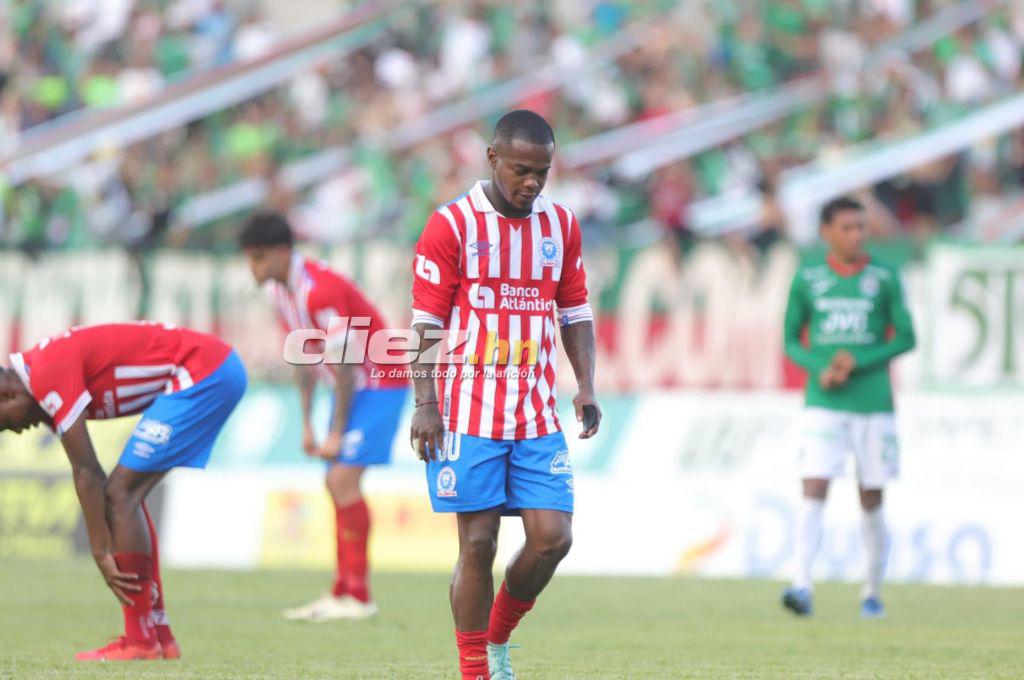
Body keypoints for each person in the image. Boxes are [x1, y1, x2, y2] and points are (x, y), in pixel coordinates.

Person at [409, 109, 601, 680]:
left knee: (552, 538)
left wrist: (586, 383)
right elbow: (425, 323)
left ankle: (495, 640)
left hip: (536, 411)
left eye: (543, 172)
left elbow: (575, 311)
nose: (532, 183)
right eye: (521, 170)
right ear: (492, 158)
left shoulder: (560, 226)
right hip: (467, 413)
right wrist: (425, 403)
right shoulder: (452, 225)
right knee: (477, 545)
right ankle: (476, 669)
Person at [0, 322, 247, 660]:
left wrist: (100, 551)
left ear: (7, 395)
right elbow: (86, 474)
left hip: (204, 372)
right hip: (211, 368)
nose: (14, 431)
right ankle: (158, 635)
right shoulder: (37, 377)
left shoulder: (45, 375)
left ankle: (141, 641)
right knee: (125, 495)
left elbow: (87, 471)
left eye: (4, 423)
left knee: (120, 495)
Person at [239, 211, 409, 622]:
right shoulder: (280, 292)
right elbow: (303, 357)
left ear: (282, 252)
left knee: (341, 479)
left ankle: (359, 596)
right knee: (335, 484)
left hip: (380, 382)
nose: (253, 267)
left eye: (259, 257)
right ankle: (341, 591)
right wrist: (308, 424)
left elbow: (348, 363)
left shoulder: (320, 290)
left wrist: (335, 430)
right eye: (249, 258)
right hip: (349, 388)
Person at [780, 196, 916, 619]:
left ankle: (872, 591)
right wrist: (821, 368)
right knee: (814, 484)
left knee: (871, 495)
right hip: (824, 401)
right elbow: (790, 341)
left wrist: (861, 361)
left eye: (861, 227)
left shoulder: (885, 276)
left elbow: (906, 337)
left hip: (874, 401)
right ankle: (801, 585)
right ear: (826, 232)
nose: (857, 235)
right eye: (848, 227)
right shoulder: (808, 278)